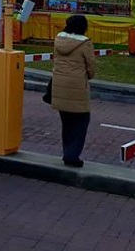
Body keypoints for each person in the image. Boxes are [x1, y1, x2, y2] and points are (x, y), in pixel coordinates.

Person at [51, 14, 96, 168]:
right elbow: (91, 68)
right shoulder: (85, 44)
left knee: (67, 122)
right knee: (81, 121)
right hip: (77, 87)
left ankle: (67, 152)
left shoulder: (58, 40)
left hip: (59, 85)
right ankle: (72, 155)